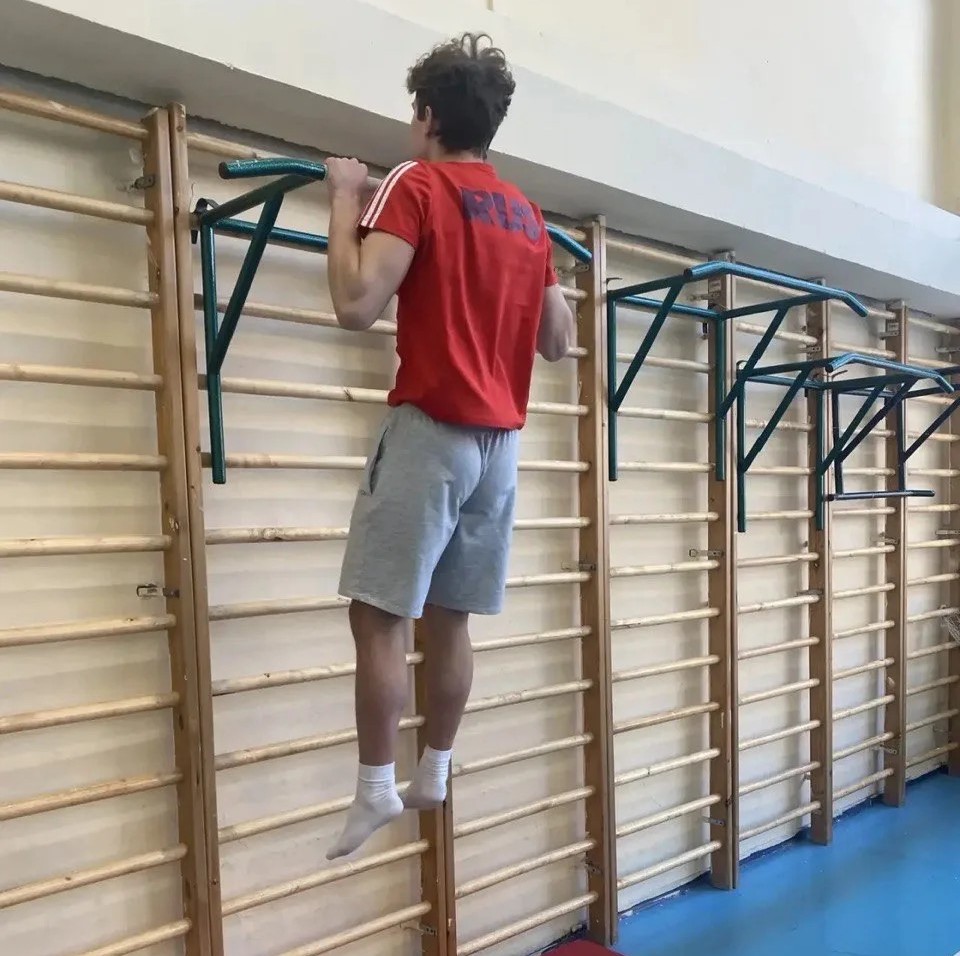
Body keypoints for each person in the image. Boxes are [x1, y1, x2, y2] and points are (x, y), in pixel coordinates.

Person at [323, 32, 575, 861]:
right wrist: (533, 275)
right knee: (451, 618)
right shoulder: (527, 215)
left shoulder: (418, 183)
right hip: (500, 450)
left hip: (433, 432)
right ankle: (435, 768)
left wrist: (344, 198)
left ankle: (375, 787)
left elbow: (357, 304)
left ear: (428, 115)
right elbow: (560, 343)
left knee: (378, 616)